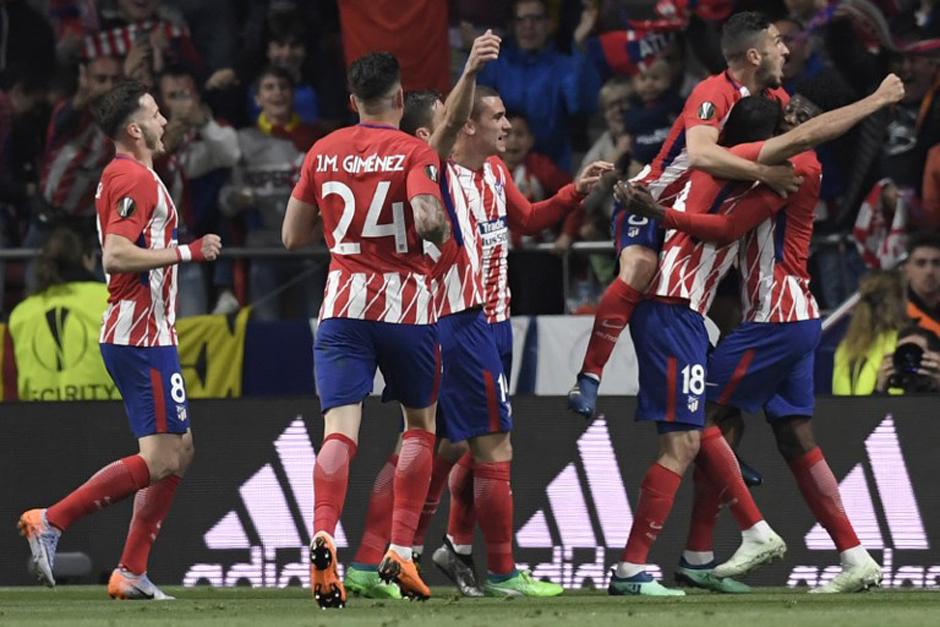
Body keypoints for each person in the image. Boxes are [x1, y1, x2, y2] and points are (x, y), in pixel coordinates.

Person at [623, 73, 905, 594]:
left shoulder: (795, 163)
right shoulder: (790, 151)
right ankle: (855, 554)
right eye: (788, 107)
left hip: (775, 316)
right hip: (796, 313)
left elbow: (730, 229)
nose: (789, 116)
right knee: (792, 436)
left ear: (817, 124)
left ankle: (742, 536)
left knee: (699, 415)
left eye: (799, 112)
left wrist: (660, 211)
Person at [17, 79, 222, 600]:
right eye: (154, 114)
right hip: (139, 336)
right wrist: (187, 253)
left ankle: (131, 571)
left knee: (181, 450)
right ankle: (52, 520)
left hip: (148, 332)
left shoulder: (127, 174)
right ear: (134, 128)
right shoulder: (134, 178)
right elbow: (114, 254)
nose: (162, 121)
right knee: (160, 459)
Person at [568, 11, 800, 418]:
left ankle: (716, 432)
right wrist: (765, 173)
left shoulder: (777, 100)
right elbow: (701, 153)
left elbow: (806, 133)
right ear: (754, 55)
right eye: (777, 41)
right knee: (640, 267)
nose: (786, 48)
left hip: (702, 217)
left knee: (732, 318)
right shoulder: (714, 91)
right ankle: (589, 376)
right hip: (651, 200)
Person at [282, 52, 451, 607]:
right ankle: (400, 550)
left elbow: (290, 236)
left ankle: (324, 533)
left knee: (339, 433)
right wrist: (439, 232)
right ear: (401, 99)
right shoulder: (415, 151)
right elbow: (428, 219)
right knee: (420, 426)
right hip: (404, 310)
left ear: (352, 102)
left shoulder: (322, 151)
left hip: (342, 306)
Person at [222, 65, 322, 321]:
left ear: (293, 94)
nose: (277, 93)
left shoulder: (315, 139)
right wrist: (239, 197)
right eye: (269, 87)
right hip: (262, 247)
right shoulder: (242, 139)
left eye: (283, 87)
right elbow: (226, 201)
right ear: (257, 98)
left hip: (307, 246)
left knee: (317, 323)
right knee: (266, 325)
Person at [477, 0, 601, 170]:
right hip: (500, 166)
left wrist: (577, 45)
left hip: (551, 171)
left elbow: (582, 106)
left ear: (549, 24)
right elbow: (478, 114)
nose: (528, 25)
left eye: (536, 19)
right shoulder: (496, 64)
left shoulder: (564, 65)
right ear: (513, 25)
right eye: (521, 19)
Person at [6, 227, 113, 401]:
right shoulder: (112, 301)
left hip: (36, 421)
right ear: (88, 259)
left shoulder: (21, 314)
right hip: (108, 417)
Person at [832, 270, 908, 395]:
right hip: (883, 412)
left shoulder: (844, 348)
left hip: (846, 413)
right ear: (897, 300)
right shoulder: (903, 343)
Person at [904, 233, 940, 338]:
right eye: (921, 263)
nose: (929, 271)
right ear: (907, 270)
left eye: (937, 263)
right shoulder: (894, 316)